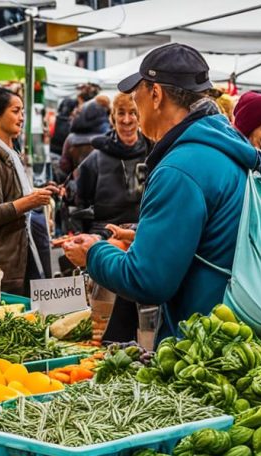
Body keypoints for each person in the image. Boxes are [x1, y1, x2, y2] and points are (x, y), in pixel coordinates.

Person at [62, 43, 261, 340]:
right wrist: (147, 236)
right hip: (237, 331)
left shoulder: (179, 168)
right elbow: (210, 237)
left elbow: (148, 281)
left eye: (136, 95)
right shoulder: (226, 148)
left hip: (202, 348)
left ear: (155, 94)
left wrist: (92, 253)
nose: (134, 108)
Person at [73, 93, 152, 342]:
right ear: (112, 118)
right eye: (121, 114)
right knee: (104, 320)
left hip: (143, 238)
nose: (127, 120)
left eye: (132, 113)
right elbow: (79, 205)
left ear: (140, 117)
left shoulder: (155, 152)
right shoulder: (95, 159)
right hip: (104, 239)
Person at [0, 87, 58, 294]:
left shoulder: (11, 154)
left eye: (22, 112)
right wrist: (30, 201)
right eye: (15, 111)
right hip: (7, 260)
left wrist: (40, 192)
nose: (21, 118)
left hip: (24, 252)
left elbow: (14, 194)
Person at [58, 100, 110, 185]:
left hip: (79, 188)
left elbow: (64, 169)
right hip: (104, 188)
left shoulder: (71, 140)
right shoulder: (109, 137)